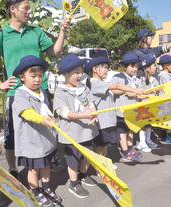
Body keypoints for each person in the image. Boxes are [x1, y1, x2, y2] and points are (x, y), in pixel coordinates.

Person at [0, 0, 70, 177]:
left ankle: (48, 160)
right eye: (26, 8)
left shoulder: (36, 31)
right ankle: (13, 169)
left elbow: (53, 52)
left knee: (46, 126)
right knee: (13, 134)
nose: (29, 12)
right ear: (13, 9)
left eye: (30, 8)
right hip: (17, 93)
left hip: (41, 90)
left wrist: (62, 30)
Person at [12, 55, 62, 206]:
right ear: (21, 76)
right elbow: (27, 113)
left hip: (45, 139)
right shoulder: (20, 94)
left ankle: (46, 189)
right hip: (32, 141)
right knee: (34, 170)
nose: (37, 79)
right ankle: (36, 193)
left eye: (40, 76)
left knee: (46, 166)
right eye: (33, 76)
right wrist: (43, 119)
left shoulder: (41, 91)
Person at [53, 54, 100, 199]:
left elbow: (91, 103)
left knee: (87, 157)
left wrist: (92, 112)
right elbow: (64, 113)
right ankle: (74, 184)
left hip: (86, 131)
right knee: (73, 161)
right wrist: (84, 115)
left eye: (81, 71)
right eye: (76, 72)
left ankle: (84, 175)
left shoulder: (84, 88)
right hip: (71, 135)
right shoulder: (60, 92)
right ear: (66, 74)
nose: (80, 75)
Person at [84, 56, 145, 163]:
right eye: (104, 67)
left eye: (107, 67)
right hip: (101, 122)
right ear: (95, 69)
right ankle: (101, 168)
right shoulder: (95, 83)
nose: (107, 70)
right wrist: (135, 89)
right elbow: (117, 86)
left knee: (105, 145)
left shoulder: (100, 82)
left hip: (107, 121)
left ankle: (105, 164)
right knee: (100, 147)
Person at [112, 53, 146, 162]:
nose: (134, 69)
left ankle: (130, 148)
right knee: (122, 131)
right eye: (132, 66)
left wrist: (148, 95)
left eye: (136, 66)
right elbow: (113, 90)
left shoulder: (137, 79)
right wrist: (127, 90)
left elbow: (139, 94)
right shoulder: (117, 77)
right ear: (125, 67)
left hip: (133, 110)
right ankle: (125, 151)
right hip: (122, 110)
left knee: (131, 129)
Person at [137, 56, 163, 152]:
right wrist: (147, 95)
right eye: (153, 65)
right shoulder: (141, 80)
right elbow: (138, 96)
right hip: (144, 106)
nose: (155, 67)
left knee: (149, 124)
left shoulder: (154, 79)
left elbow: (154, 92)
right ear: (147, 68)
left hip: (152, 105)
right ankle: (142, 143)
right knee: (143, 124)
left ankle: (148, 140)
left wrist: (158, 91)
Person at [158, 55, 171, 144]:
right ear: (166, 65)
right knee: (165, 120)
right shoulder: (164, 76)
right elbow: (169, 88)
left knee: (167, 119)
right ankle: (163, 138)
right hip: (166, 100)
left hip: (168, 100)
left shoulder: (167, 75)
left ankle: (165, 136)